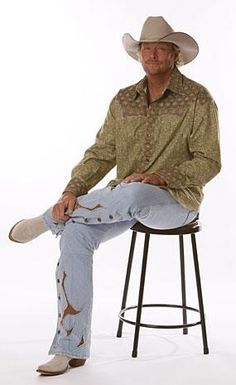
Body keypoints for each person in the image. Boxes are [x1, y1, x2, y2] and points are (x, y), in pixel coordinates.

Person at [9, 16, 221, 376]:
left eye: (161, 48)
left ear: (175, 55)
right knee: (76, 234)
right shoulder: (124, 100)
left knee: (134, 190)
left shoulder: (197, 98)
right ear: (139, 54)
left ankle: (47, 221)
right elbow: (102, 153)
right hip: (119, 203)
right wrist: (71, 190)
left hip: (177, 202)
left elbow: (209, 162)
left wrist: (159, 176)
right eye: (146, 48)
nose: (152, 54)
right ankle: (69, 349)